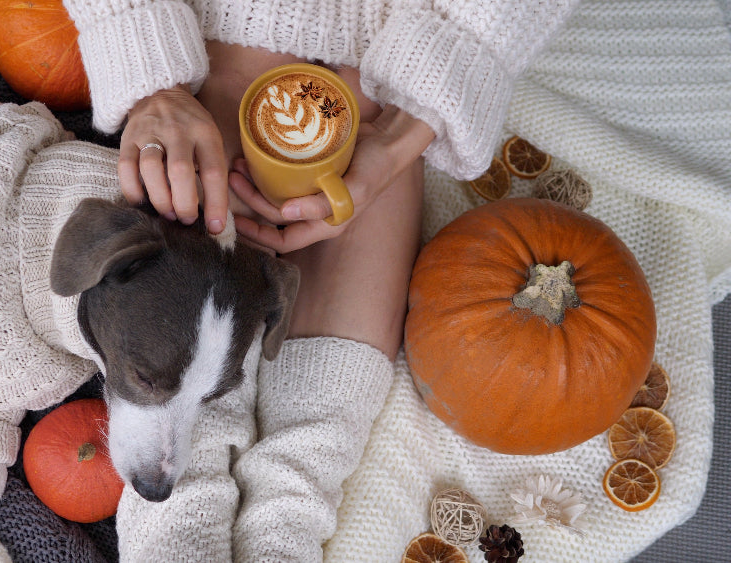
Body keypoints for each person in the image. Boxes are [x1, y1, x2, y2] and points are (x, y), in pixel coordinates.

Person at [61, 1, 581, 560]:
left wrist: (411, 122)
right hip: (225, 36)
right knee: (189, 397)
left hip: (395, 59)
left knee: (310, 450)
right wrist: (148, 67)